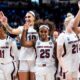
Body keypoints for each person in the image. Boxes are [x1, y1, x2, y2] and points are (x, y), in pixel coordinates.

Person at [0, 10, 39, 80]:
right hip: (23, 58)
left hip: (34, 59)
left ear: (34, 18)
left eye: (29, 17)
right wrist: (5, 24)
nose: (27, 18)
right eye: (25, 17)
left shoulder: (38, 29)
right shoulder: (21, 28)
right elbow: (11, 30)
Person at [57, 8, 80, 80]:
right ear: (66, 24)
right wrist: (64, 68)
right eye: (72, 24)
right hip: (67, 65)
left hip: (75, 65)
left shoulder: (76, 34)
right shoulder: (62, 36)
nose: (74, 26)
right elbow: (59, 56)